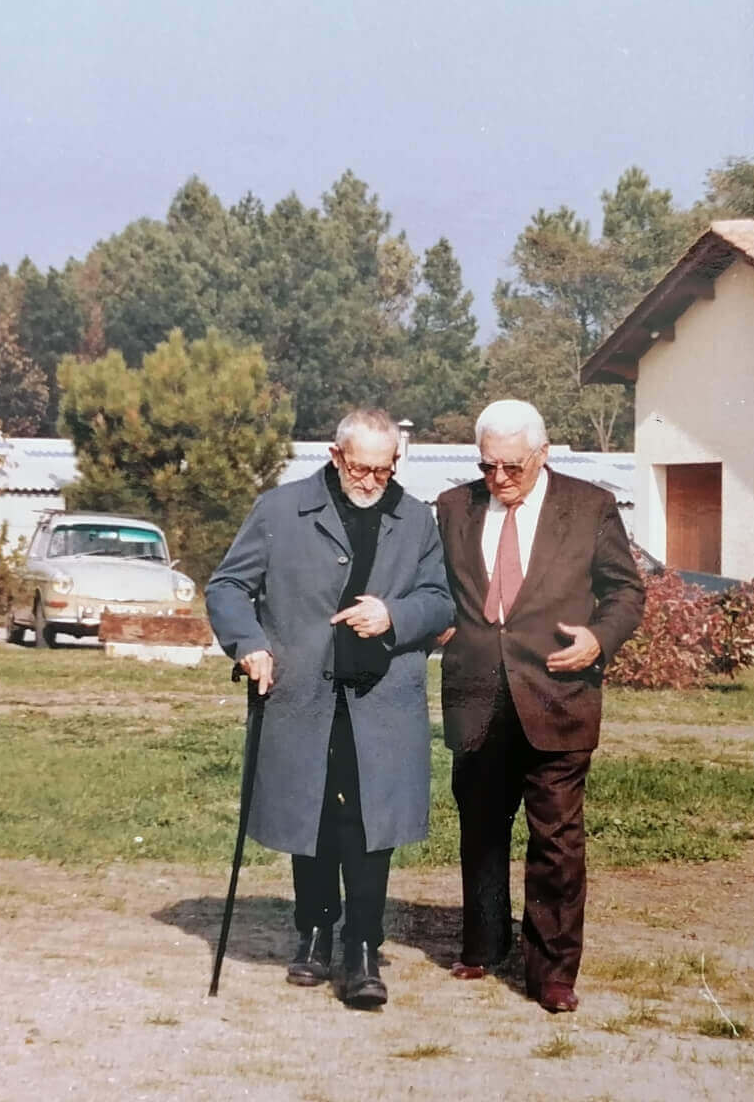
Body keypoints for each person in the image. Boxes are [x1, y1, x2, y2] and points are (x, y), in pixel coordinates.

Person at [205, 409, 452, 1008]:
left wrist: (394, 614)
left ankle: (364, 950)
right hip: (303, 695)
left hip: (382, 700)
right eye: (360, 468)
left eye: (383, 469)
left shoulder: (417, 519)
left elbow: (441, 601)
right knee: (311, 817)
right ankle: (313, 937)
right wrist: (251, 645)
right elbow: (227, 587)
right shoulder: (279, 510)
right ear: (336, 457)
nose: (371, 482)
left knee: (370, 826)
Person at [434, 399, 645, 1013]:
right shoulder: (453, 507)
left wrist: (599, 638)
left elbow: (625, 592)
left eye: (512, 468)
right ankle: (483, 943)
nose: (498, 479)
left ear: (543, 455)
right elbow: (434, 588)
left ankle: (553, 971)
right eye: (488, 466)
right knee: (479, 827)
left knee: (556, 838)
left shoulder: (590, 507)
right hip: (475, 696)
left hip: (557, 694)